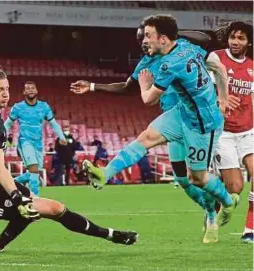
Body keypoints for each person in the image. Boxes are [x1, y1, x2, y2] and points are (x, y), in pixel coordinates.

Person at [80, 14, 238, 244]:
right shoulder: (170, 52)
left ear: (162, 38)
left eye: (148, 36)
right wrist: (222, 97)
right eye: (142, 37)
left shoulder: (169, 63)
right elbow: (218, 67)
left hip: (202, 124)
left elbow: (148, 99)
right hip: (180, 114)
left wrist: (146, 84)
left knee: (198, 178)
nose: (145, 41)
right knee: (147, 139)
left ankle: (227, 202)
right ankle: (105, 173)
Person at [0, 68, 138, 253]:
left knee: (53, 208)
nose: (5, 93)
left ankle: (111, 234)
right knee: (31, 210)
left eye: (6, 88)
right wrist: (17, 197)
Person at [210, 21, 253, 243]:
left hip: (248, 131)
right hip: (224, 132)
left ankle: (250, 230)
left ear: (249, 42)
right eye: (233, 37)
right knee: (235, 187)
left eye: (241, 38)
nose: (236, 42)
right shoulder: (216, 58)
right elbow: (201, 84)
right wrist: (219, 97)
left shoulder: (252, 67)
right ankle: (213, 208)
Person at [4, 81, 67, 195]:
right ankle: (35, 199)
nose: (31, 90)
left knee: (35, 173)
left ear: (36, 91)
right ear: (24, 92)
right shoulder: (18, 107)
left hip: (38, 143)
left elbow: (53, 123)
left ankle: (10, 184)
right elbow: (8, 123)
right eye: (28, 88)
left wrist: (62, 136)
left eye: (33, 88)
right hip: (25, 142)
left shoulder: (44, 106)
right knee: (33, 169)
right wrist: (0, 136)